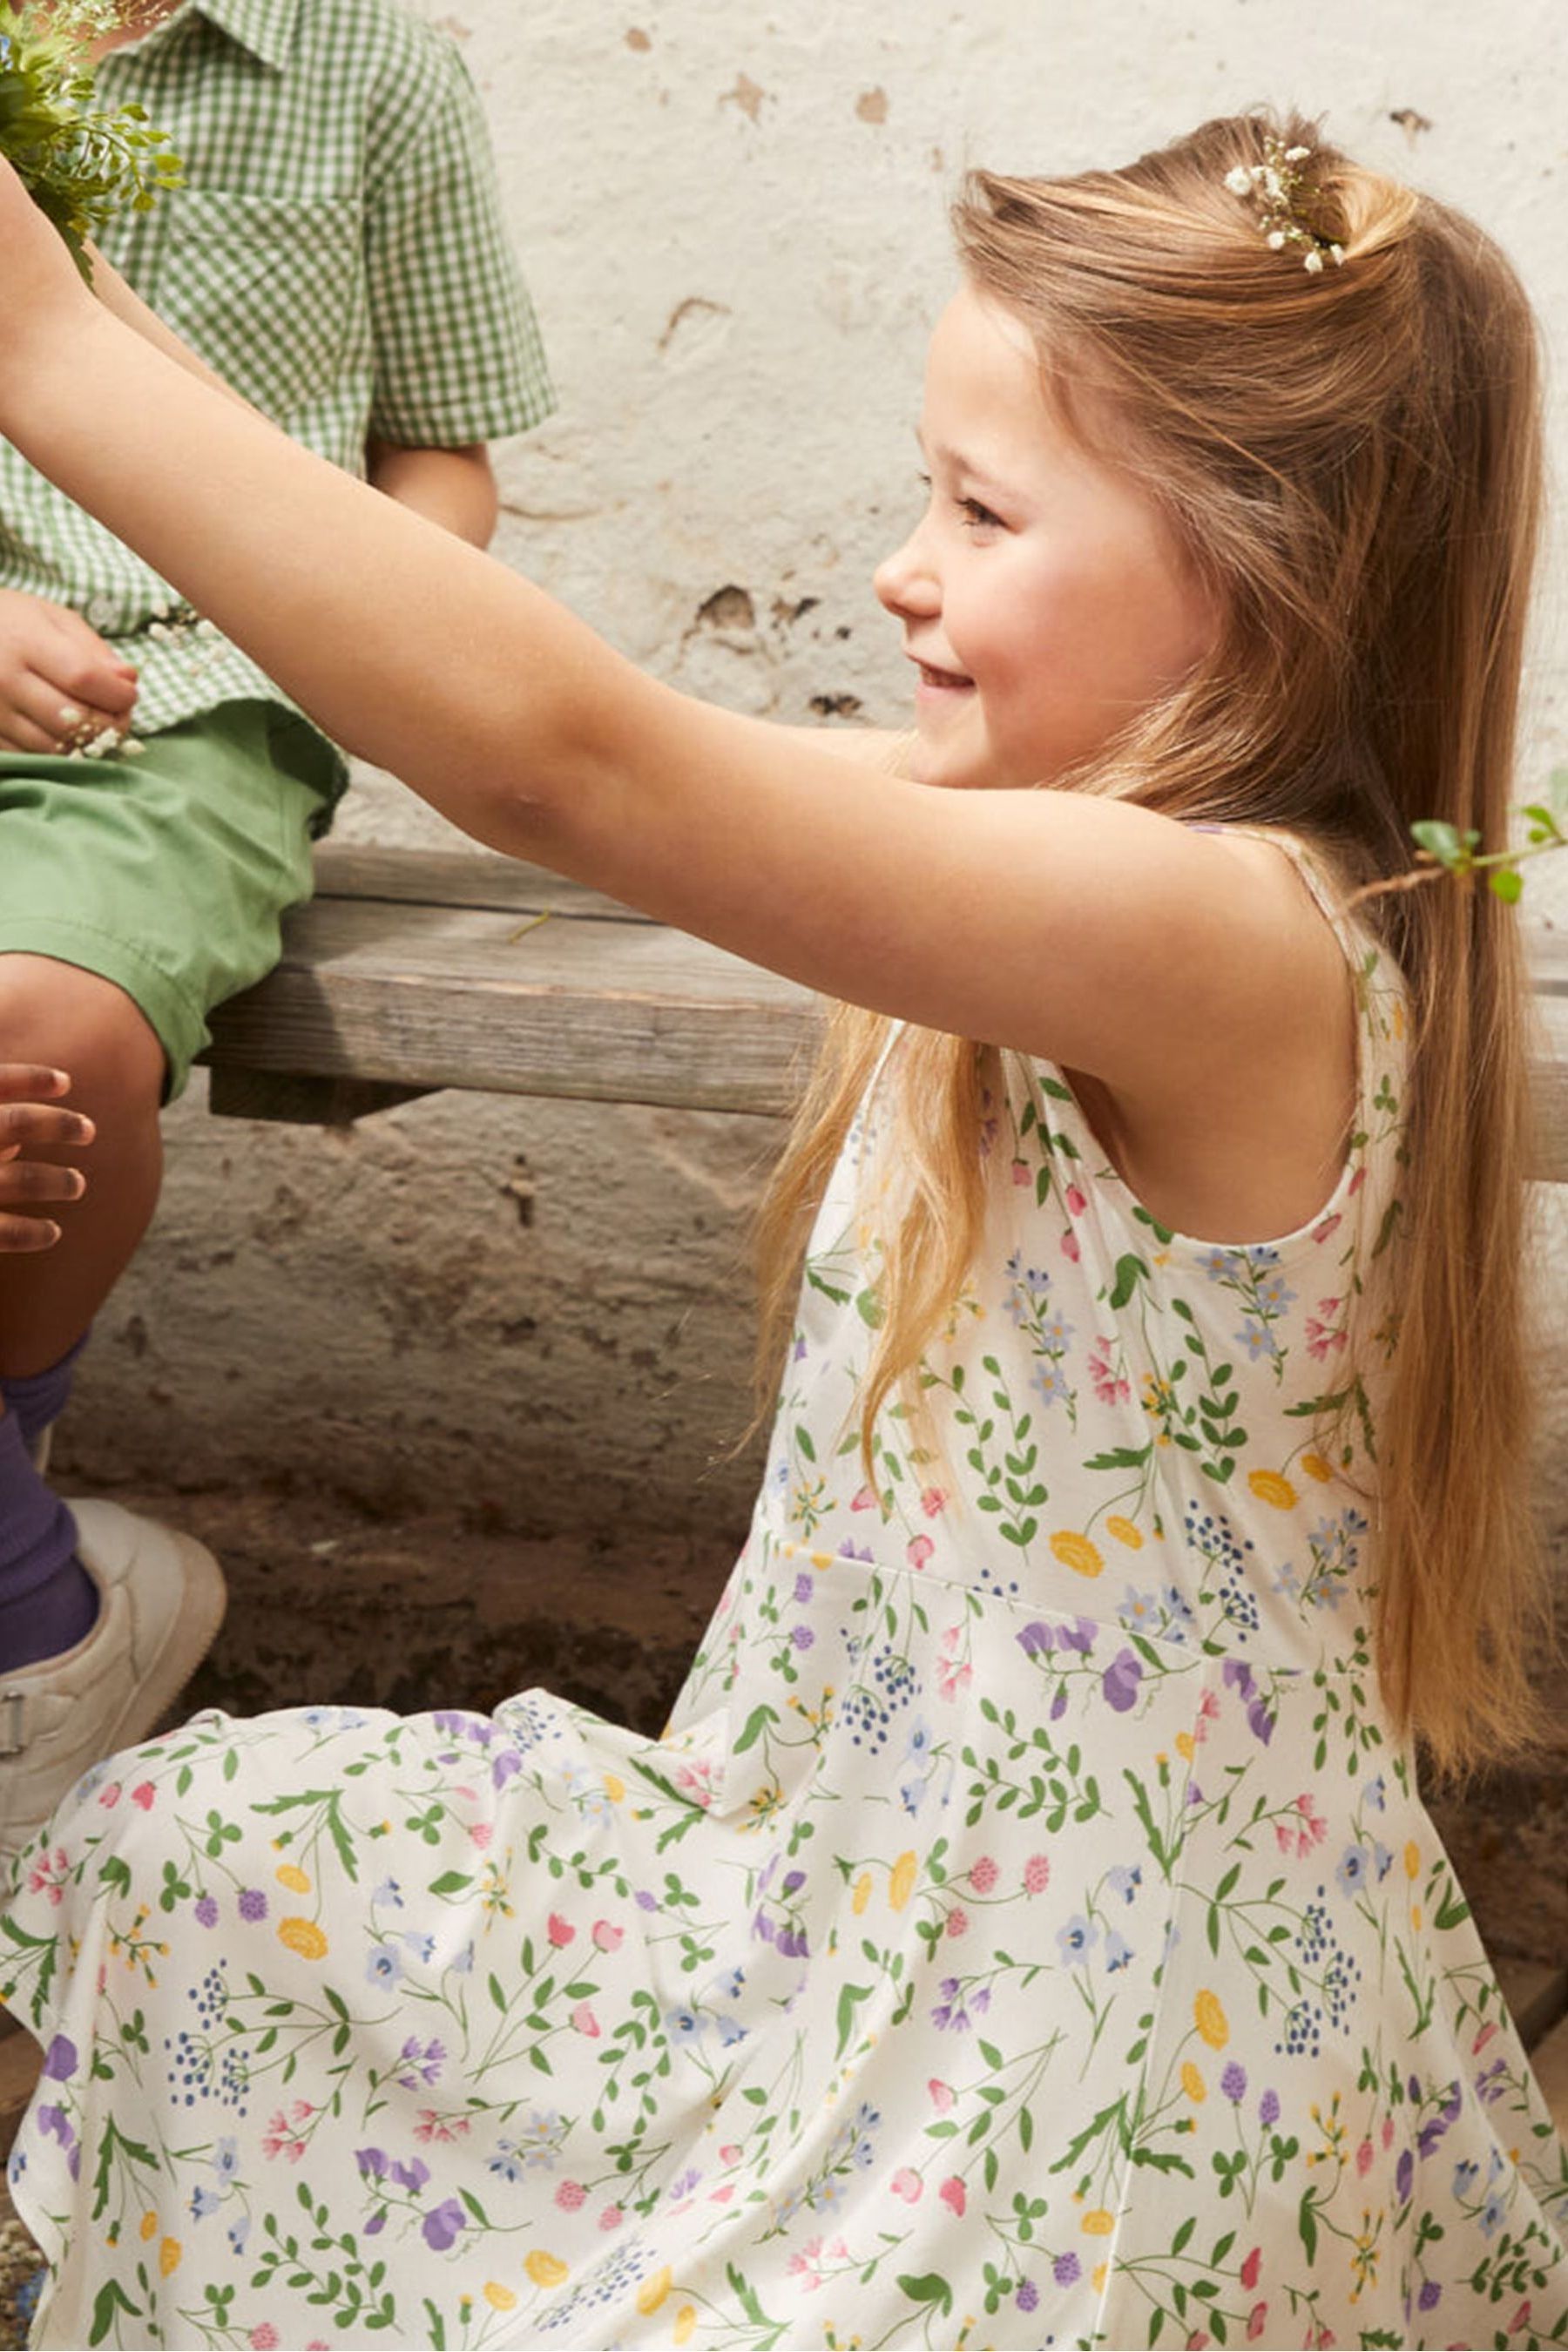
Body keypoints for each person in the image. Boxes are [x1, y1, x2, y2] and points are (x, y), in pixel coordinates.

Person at [0, 105, 1564, 2350]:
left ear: (1266, 566)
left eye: (982, 510)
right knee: (197, 1861)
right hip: (857, 1889)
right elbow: (534, 699)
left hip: (1075, 2045)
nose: (904, 570)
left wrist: (41, 353)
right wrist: (60, 282)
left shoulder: (1212, 928)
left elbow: (574, 763)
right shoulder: (1059, 837)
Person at [0, 0, 556, 1865]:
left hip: (185, 709)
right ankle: (42, 1602)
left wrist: (318, 623)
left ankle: (19, 1591)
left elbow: (443, 466)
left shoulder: (372, 63)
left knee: (30, 1048)